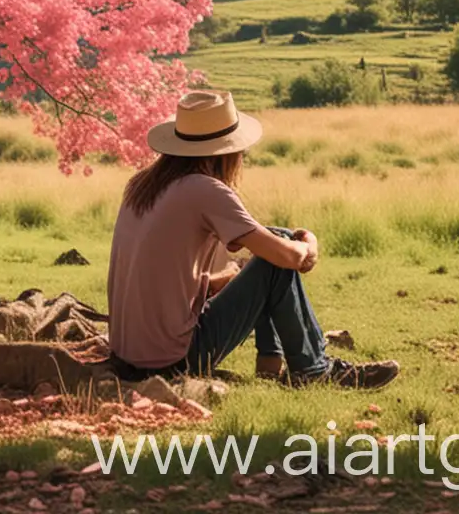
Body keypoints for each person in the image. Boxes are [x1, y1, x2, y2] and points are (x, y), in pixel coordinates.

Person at [105, 87, 400, 387]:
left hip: (128, 356)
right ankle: (314, 370)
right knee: (276, 256)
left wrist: (231, 276)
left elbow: (164, 278)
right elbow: (289, 258)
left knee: (273, 245)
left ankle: (271, 362)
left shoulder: (143, 185)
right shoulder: (204, 189)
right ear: (226, 152)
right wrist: (309, 244)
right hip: (172, 361)